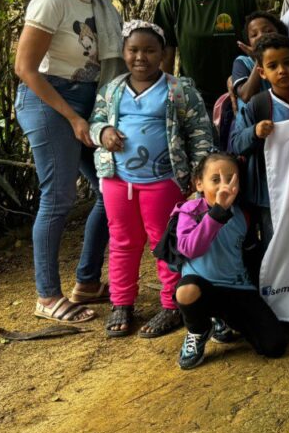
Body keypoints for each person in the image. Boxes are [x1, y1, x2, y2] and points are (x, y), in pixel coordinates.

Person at [15, 0, 124, 323]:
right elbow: (25, 68)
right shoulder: (52, 0)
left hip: (88, 99)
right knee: (58, 198)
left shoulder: (98, 0)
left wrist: (93, 113)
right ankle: (47, 296)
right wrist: (73, 117)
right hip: (48, 100)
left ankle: (87, 282)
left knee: (110, 190)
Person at [88, 20, 214, 338]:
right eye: (133, 50)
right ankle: (121, 303)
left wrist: (198, 173)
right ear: (123, 52)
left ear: (162, 54)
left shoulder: (178, 90)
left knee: (165, 242)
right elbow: (96, 121)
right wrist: (103, 132)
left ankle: (172, 305)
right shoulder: (112, 90)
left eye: (149, 50)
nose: (140, 57)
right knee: (122, 241)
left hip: (163, 181)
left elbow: (200, 132)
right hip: (118, 180)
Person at [173, 153, 289, 369]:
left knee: (275, 346)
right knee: (186, 290)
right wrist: (217, 213)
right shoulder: (190, 211)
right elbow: (189, 248)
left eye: (230, 179)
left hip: (236, 288)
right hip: (202, 287)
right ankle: (199, 330)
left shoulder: (243, 215)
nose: (223, 186)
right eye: (215, 179)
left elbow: (251, 254)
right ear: (199, 183)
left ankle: (222, 319)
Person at [229, 33, 289, 245]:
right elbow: (236, 144)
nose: (282, 70)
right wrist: (254, 132)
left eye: (287, 63)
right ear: (262, 72)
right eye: (273, 66)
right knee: (275, 245)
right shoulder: (258, 105)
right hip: (271, 194)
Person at [231, 11, 288, 107]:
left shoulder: (288, 58)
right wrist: (260, 58)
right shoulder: (242, 62)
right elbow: (246, 95)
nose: (261, 36)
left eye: (268, 31)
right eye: (254, 35)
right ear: (248, 42)